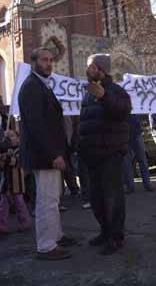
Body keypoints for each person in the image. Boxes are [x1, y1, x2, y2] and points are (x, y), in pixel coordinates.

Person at [18, 47, 76, 261]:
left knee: (53, 198)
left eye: (51, 60)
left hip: (49, 154)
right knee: (47, 201)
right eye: (44, 60)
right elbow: (37, 126)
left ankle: (57, 236)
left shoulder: (41, 85)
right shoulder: (32, 86)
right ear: (34, 63)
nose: (49, 64)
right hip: (44, 156)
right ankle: (46, 245)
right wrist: (54, 154)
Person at [79, 53, 131, 255]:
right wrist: (81, 146)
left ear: (102, 69)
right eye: (88, 66)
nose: (89, 70)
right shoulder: (87, 93)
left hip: (110, 154)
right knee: (97, 199)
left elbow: (122, 112)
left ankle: (116, 237)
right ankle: (104, 231)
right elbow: (84, 123)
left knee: (113, 198)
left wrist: (104, 97)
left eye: (92, 66)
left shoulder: (116, 91)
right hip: (91, 155)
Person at [0, 130, 32, 234]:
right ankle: (2, 226)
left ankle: (25, 222)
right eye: (7, 137)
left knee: (19, 203)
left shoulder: (20, 150)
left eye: (12, 136)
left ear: (18, 138)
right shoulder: (4, 150)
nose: (9, 138)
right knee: (3, 204)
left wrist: (8, 157)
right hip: (5, 181)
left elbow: (16, 162)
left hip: (16, 180)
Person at [123, 114, 154, 193]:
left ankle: (146, 184)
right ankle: (131, 186)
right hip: (126, 134)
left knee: (141, 160)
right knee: (128, 162)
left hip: (134, 133)